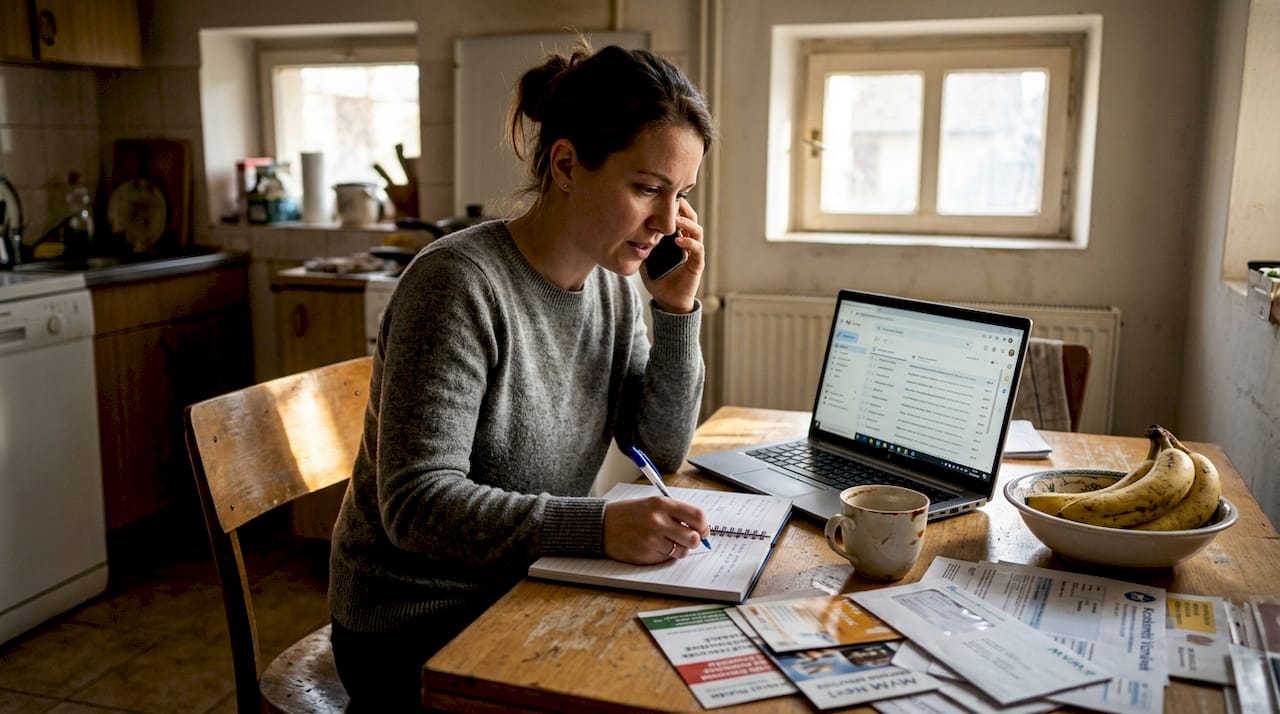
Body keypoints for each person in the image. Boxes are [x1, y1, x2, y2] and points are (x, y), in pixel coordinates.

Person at [328, 41, 716, 712]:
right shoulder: (456, 286)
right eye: (647, 188)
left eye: (679, 195)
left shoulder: (613, 287)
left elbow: (660, 448)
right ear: (566, 164)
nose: (665, 222)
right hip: (409, 625)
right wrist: (598, 527)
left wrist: (677, 310)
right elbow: (416, 507)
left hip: (520, 585)